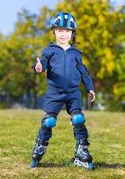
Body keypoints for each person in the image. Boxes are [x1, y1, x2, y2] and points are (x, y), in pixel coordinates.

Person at [31, 12, 96, 170]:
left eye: (67, 31)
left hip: (73, 93)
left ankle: (82, 151)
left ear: (72, 33)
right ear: (54, 31)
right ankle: (39, 147)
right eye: (59, 30)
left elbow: (83, 72)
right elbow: (42, 65)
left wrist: (90, 88)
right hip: (55, 93)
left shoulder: (76, 53)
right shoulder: (49, 50)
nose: (63, 34)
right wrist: (38, 67)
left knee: (78, 119)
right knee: (49, 121)